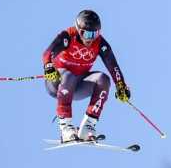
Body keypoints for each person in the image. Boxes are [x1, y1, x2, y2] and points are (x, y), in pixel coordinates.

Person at [42, 10, 131, 142]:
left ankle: (88, 126)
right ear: (78, 29)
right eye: (86, 33)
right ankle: (66, 128)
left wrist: (121, 85)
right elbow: (48, 52)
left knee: (103, 79)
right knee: (69, 76)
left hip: (78, 84)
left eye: (95, 33)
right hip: (57, 81)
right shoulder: (68, 36)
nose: (90, 38)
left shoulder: (100, 43)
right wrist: (48, 66)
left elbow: (113, 65)